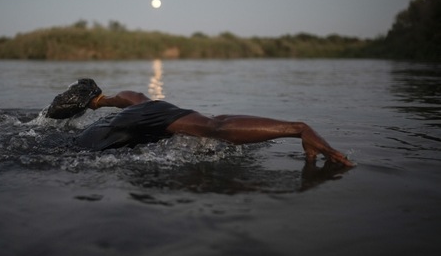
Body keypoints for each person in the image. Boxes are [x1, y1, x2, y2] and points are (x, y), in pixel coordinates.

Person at [45, 78, 354, 167]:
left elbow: (138, 99)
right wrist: (101, 101)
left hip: (134, 120)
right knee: (213, 125)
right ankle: (298, 129)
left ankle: (299, 129)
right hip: (137, 114)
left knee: (215, 127)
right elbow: (135, 95)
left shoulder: (84, 139)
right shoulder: (124, 110)